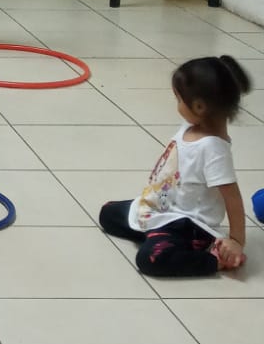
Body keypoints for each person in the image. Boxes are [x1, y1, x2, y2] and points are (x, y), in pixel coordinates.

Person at [99, 56, 250, 276]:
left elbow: (232, 197)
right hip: (161, 209)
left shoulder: (213, 149)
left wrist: (236, 240)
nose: (177, 105)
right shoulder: (191, 125)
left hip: (187, 226)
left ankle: (211, 261)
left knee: (149, 259)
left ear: (199, 106)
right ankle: (155, 235)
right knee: (107, 213)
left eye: (179, 99)